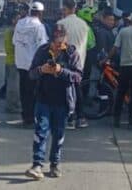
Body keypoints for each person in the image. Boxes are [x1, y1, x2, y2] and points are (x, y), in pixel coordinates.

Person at [25, 25, 82, 180]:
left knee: (58, 134)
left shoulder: (71, 53)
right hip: (43, 99)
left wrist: (61, 71)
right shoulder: (42, 51)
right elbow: (31, 74)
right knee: (40, 131)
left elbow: (78, 77)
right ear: (51, 40)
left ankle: (55, 164)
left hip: (63, 101)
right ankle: (37, 164)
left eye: (62, 40)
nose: (59, 44)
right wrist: (41, 70)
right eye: (56, 40)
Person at [13, 2, 49, 127]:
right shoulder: (39, 26)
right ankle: (31, 118)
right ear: (40, 13)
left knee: (23, 91)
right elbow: (42, 47)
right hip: (33, 65)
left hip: (20, 63)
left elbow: (14, 42)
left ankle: (25, 117)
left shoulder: (19, 23)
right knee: (33, 92)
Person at [57, 0, 90, 130]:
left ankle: (69, 118)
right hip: (80, 60)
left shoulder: (61, 23)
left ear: (66, 9)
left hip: (64, 61)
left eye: (63, 9)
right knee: (77, 88)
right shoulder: (84, 24)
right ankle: (80, 117)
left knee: (66, 91)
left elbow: (58, 43)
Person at [4, 13, 22, 114]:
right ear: (13, 21)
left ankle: (13, 103)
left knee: (12, 84)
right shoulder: (13, 32)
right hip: (13, 60)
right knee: (13, 85)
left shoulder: (10, 31)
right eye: (18, 19)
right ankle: (11, 105)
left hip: (10, 60)